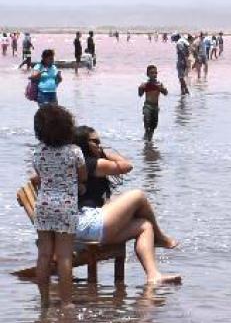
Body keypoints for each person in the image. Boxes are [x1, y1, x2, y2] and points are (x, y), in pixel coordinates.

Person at [73, 126, 181, 284]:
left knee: (144, 226)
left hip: (87, 227)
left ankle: (153, 275)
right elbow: (126, 166)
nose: (100, 145)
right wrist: (105, 153)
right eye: (95, 141)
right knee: (138, 196)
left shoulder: (85, 164)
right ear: (84, 144)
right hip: (86, 225)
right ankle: (160, 237)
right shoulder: (91, 163)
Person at [29, 105, 86, 305]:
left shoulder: (38, 153)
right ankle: (66, 302)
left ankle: (44, 300)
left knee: (44, 254)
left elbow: (40, 175)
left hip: (43, 205)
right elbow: (82, 176)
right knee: (63, 257)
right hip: (66, 205)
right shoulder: (74, 152)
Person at [137, 64, 169, 142]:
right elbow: (140, 95)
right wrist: (140, 88)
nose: (154, 75)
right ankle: (147, 141)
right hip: (147, 105)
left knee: (154, 125)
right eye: (152, 73)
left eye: (155, 73)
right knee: (147, 121)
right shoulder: (145, 84)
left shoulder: (159, 84)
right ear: (147, 74)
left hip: (155, 107)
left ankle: (149, 141)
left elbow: (166, 93)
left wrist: (161, 89)